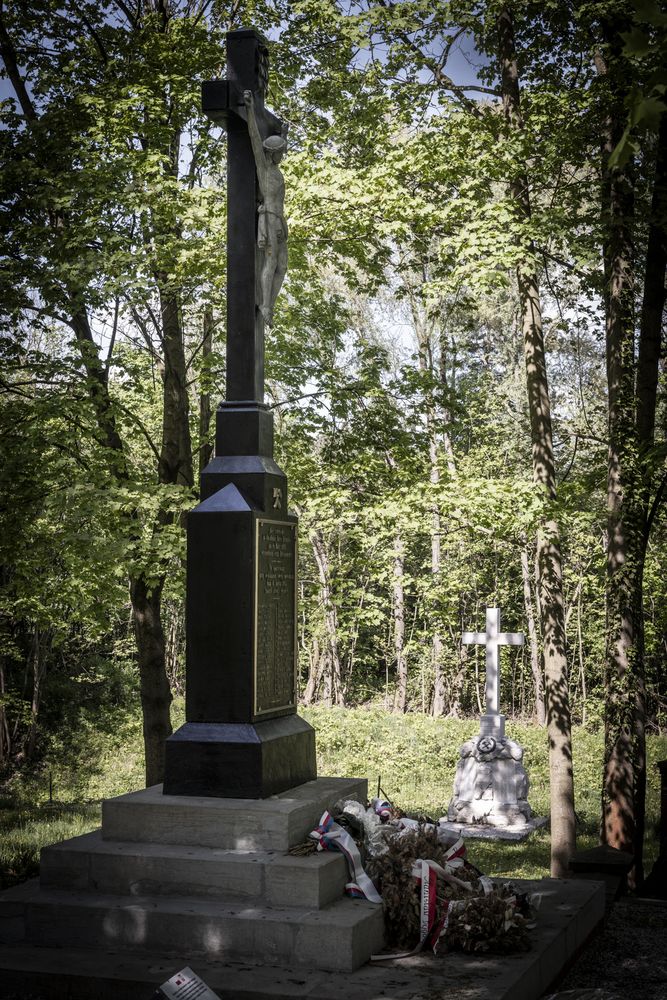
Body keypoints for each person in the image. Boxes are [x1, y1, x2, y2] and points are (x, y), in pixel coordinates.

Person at [243, 90, 288, 327]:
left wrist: (283, 133)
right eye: (280, 152)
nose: (283, 155)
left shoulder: (277, 170)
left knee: (283, 266)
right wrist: (250, 109)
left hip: (279, 219)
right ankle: (266, 306)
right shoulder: (264, 168)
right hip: (268, 218)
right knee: (271, 264)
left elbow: (281, 143)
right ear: (272, 153)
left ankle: (269, 302)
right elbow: (253, 138)